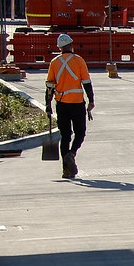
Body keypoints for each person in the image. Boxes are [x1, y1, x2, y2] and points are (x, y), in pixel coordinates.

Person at [45, 33, 94, 179]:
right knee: (80, 132)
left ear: (59, 47)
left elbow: (49, 86)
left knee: (65, 136)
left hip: (61, 104)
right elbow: (86, 82)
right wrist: (91, 101)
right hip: (77, 103)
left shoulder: (54, 62)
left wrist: (48, 105)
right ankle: (72, 154)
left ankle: (66, 170)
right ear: (71, 45)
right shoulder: (79, 61)